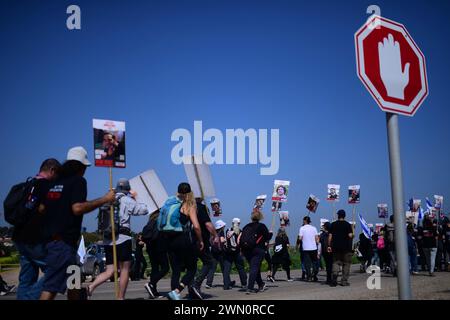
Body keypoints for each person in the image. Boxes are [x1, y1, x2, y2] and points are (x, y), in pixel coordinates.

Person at [40, 147, 115, 300]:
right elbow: (77, 208)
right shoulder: (78, 181)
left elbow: (42, 208)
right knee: (51, 289)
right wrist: (105, 199)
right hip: (63, 246)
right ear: (80, 167)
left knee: (73, 283)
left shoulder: (54, 182)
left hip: (55, 242)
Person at [88, 179, 149, 299]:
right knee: (125, 269)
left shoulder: (107, 200)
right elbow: (144, 210)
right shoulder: (127, 200)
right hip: (122, 238)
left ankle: (90, 287)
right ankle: (120, 297)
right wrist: (136, 197)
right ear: (127, 190)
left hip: (108, 239)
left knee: (110, 270)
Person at [12, 158, 61, 300]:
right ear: (52, 171)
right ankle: (29, 298)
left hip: (20, 238)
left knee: (27, 279)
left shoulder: (28, 184)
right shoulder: (45, 186)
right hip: (36, 240)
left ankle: (24, 297)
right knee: (56, 270)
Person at [162, 183, 204, 300]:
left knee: (175, 270)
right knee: (192, 268)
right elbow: (196, 226)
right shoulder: (189, 205)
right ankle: (177, 291)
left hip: (169, 240)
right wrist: (200, 240)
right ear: (190, 193)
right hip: (183, 240)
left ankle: (174, 295)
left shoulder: (172, 204)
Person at [239, 209, 272, 294]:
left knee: (255, 267)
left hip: (246, 250)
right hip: (258, 249)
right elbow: (267, 237)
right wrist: (271, 233)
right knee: (254, 268)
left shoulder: (246, 226)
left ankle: (261, 284)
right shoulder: (262, 226)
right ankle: (250, 287)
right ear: (260, 217)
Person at [193, 198, 219, 293]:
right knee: (209, 262)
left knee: (192, 265)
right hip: (200, 240)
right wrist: (215, 235)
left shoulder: (186, 206)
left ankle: (191, 288)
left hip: (187, 240)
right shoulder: (201, 207)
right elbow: (207, 224)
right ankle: (196, 284)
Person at [327, 209, 354, 287]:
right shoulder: (348, 225)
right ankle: (344, 281)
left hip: (335, 247)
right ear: (344, 216)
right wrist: (352, 235)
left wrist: (329, 246)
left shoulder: (333, 224)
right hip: (346, 248)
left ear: (338, 215)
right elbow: (350, 235)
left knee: (336, 263)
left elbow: (330, 236)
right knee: (346, 264)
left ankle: (334, 278)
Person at [222, 218, 247, 288]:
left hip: (228, 252)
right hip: (237, 252)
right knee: (240, 268)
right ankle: (244, 283)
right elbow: (239, 242)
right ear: (238, 223)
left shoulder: (228, 230)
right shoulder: (240, 231)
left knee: (227, 269)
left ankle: (226, 285)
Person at [299, 216, 319, 282]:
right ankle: (314, 274)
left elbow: (300, 238)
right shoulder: (314, 228)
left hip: (306, 248)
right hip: (314, 248)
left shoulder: (302, 228)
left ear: (305, 221)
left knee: (307, 263)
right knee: (314, 262)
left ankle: (309, 277)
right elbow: (316, 238)